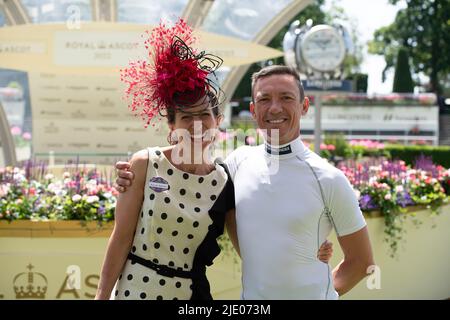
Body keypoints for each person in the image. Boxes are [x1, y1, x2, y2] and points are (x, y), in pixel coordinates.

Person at [97, 20, 332, 300]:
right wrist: (101, 296)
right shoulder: (144, 164)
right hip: (133, 292)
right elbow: (121, 237)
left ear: (217, 121)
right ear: (171, 125)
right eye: (186, 117)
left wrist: (307, 249)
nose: (196, 125)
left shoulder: (225, 181)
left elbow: (252, 249)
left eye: (204, 115)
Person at [115, 65, 372, 300]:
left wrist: (322, 292)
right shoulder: (236, 162)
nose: (274, 108)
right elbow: (190, 173)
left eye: (286, 97)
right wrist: (136, 173)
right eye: (264, 99)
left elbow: (361, 262)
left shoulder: (330, 178)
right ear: (253, 110)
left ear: (304, 106)